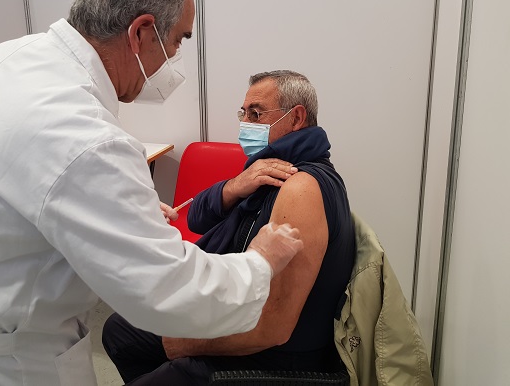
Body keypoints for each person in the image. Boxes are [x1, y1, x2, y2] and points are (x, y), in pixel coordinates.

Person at [0, 0, 305, 386]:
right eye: (177, 40)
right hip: (5, 366)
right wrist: (260, 262)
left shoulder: (3, 61)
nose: (175, 57)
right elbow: (167, 290)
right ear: (141, 32)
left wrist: (122, 213)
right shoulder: (87, 139)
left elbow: (14, 202)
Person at [103, 71, 356, 385]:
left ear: (296, 118)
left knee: (152, 352)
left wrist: (183, 343)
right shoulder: (267, 171)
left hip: (275, 355)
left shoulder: (300, 188)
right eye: (243, 113)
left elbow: (274, 328)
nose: (245, 124)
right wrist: (234, 186)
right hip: (236, 308)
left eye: (256, 114)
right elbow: (195, 218)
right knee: (119, 332)